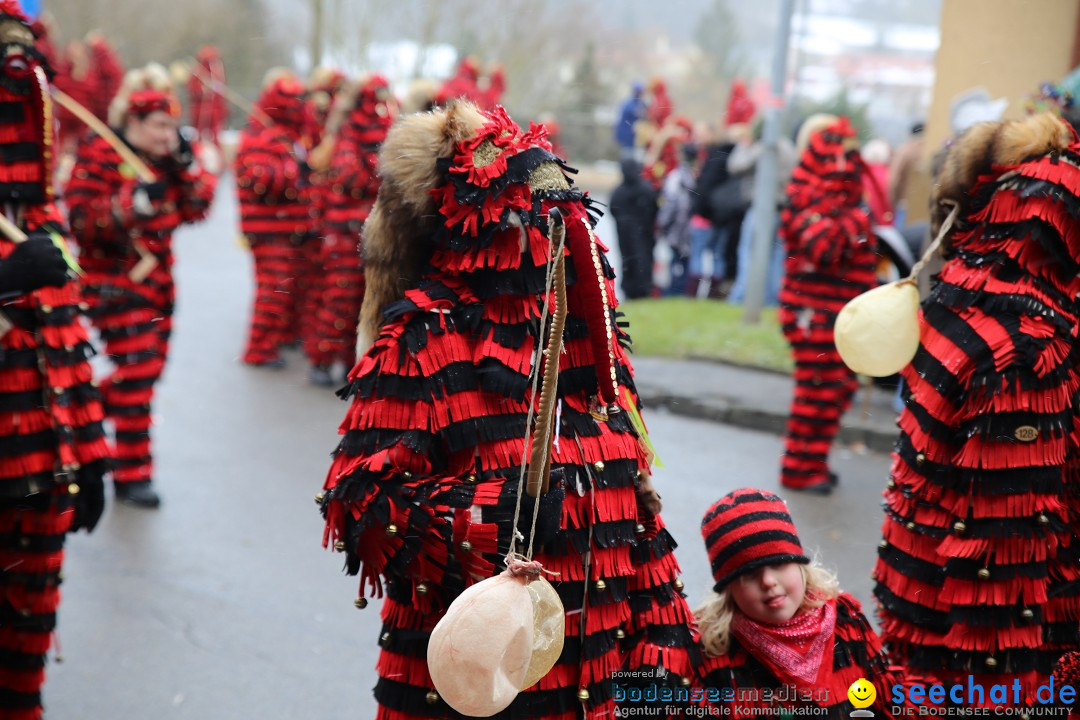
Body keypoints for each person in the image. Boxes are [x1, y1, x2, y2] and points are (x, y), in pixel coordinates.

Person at [318, 102, 697, 719]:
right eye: (532, 224)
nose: (556, 244)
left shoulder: (592, 348)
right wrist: (491, 517)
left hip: (593, 696)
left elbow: (641, 516)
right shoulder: (423, 337)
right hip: (463, 695)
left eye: (562, 224)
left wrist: (663, 657)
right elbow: (357, 503)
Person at [874, 112, 1080, 698]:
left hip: (916, 602)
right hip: (978, 646)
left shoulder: (954, 297)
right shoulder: (1025, 352)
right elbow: (1002, 541)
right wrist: (999, 693)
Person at [0, 5, 111, 715]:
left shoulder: (40, 215)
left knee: (23, 658)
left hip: (43, 477)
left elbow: (68, 342)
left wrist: (90, 453)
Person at [66, 63, 217, 508]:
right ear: (133, 121)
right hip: (110, 282)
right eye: (158, 125)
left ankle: (91, 434)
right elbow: (79, 218)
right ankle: (124, 466)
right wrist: (130, 205)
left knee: (144, 380)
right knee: (139, 371)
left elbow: (196, 210)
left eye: (172, 125)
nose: (167, 134)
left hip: (159, 284)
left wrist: (186, 167)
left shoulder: (168, 160)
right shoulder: (99, 151)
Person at [696, 489, 897, 719]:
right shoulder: (714, 650)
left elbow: (884, 698)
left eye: (779, 564)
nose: (768, 582)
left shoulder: (845, 620)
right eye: (749, 574)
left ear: (800, 566)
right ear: (728, 589)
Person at [777, 116, 876, 494]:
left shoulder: (839, 201)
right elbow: (824, 247)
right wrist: (855, 219)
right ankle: (798, 469)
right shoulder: (804, 196)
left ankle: (813, 461)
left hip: (838, 312)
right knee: (816, 393)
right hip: (813, 315)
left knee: (836, 391)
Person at [306, 74, 394, 386]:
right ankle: (321, 359)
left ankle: (350, 362)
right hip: (345, 230)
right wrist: (378, 170)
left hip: (375, 229)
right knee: (338, 297)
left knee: (364, 299)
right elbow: (348, 176)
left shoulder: (389, 126)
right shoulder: (346, 131)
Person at [234, 69, 313, 368]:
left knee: (283, 288)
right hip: (269, 230)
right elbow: (258, 178)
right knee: (273, 290)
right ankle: (258, 349)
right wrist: (296, 170)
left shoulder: (286, 135)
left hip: (284, 227)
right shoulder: (260, 135)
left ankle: (274, 339)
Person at [610, 157, 658, 299]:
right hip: (643, 231)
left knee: (628, 259)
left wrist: (624, 222)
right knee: (643, 258)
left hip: (625, 232)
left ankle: (629, 289)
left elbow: (613, 210)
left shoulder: (618, 191)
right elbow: (654, 209)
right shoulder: (646, 188)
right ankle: (644, 289)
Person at [655, 142, 697, 296]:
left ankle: (671, 293)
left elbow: (670, 202)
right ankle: (684, 292)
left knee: (673, 261)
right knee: (687, 261)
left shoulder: (676, 175)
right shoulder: (696, 173)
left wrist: (662, 222)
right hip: (692, 225)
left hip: (677, 226)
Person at [187, 45, 227, 148]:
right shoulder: (198, 71)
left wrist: (215, 88)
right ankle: (197, 152)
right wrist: (202, 90)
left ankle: (218, 156)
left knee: (216, 135)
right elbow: (193, 88)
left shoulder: (217, 70)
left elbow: (220, 90)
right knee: (199, 134)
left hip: (215, 109)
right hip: (201, 110)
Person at [614, 81, 645, 161]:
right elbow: (634, 112)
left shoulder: (639, 103)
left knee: (632, 157)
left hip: (633, 137)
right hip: (626, 135)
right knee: (627, 157)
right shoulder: (629, 103)